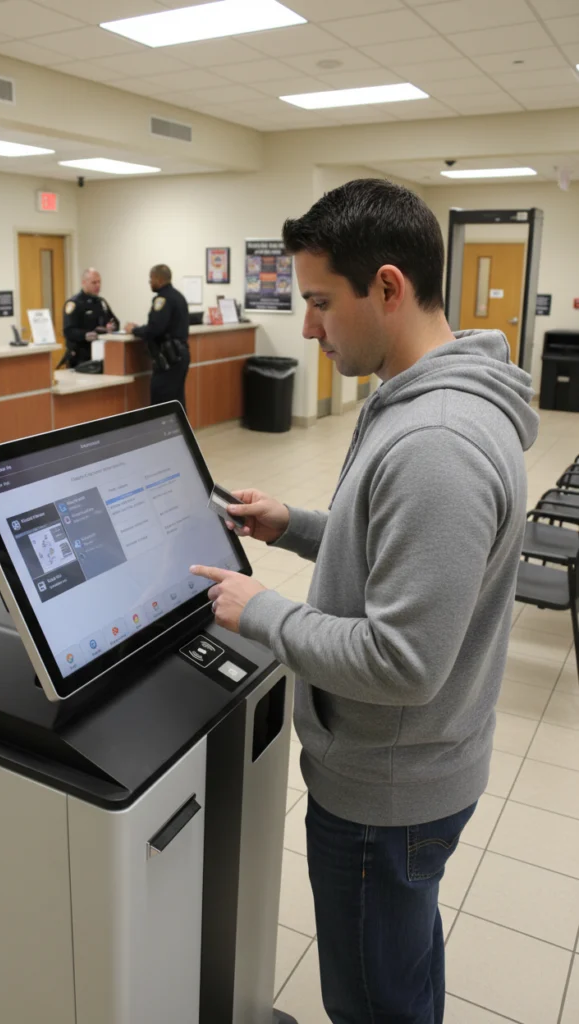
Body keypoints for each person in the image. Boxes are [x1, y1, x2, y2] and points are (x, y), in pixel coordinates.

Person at [190, 179, 538, 1024]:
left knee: (373, 1000)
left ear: (386, 287)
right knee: (402, 966)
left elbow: (403, 661)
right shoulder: (422, 397)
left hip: (387, 791)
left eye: (318, 303)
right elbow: (394, 549)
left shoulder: (436, 441)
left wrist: (259, 611)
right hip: (415, 769)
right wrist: (295, 526)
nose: (307, 328)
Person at [125, 264, 190, 408]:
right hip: (180, 354)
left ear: (159, 279)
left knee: (161, 401)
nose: (150, 282)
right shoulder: (178, 296)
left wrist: (134, 330)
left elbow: (155, 329)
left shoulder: (163, 299)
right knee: (176, 401)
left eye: (151, 279)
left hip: (169, 358)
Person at [62, 268, 119, 368]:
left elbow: (116, 322)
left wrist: (112, 327)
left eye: (99, 282)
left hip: (101, 353)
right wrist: (86, 334)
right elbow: (68, 331)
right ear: (84, 283)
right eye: (94, 282)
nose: (98, 285)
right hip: (81, 356)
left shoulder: (100, 302)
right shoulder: (74, 303)